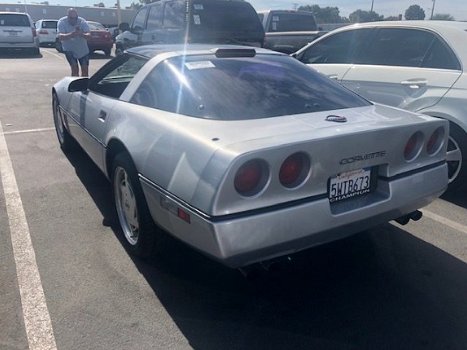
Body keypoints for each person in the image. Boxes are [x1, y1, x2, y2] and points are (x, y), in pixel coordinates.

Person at [57, 8, 91, 77]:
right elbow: (60, 37)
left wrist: (81, 34)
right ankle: (75, 86)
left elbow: (89, 36)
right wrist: (72, 34)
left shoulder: (82, 21)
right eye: (71, 18)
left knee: (85, 70)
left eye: (75, 18)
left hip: (82, 50)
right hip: (69, 50)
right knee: (74, 69)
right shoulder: (62, 22)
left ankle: (84, 85)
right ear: (68, 16)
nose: (73, 20)